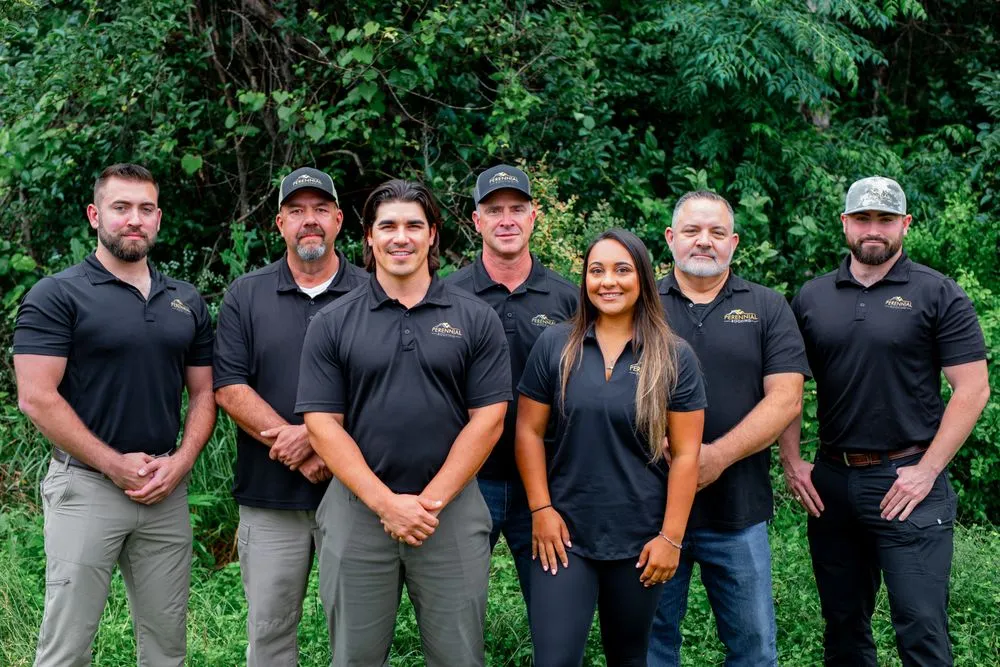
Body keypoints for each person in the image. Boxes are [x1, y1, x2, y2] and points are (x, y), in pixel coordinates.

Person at [294, 179, 512, 666]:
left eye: (414, 225)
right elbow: (322, 424)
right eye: (387, 225)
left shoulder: (476, 318)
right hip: (357, 513)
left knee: (460, 659)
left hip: (450, 515)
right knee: (353, 658)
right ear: (368, 238)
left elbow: (490, 419)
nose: (401, 237)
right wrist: (385, 504)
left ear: (432, 234)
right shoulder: (332, 322)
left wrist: (428, 502)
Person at [779, 176, 990, 666]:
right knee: (844, 626)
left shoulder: (938, 293)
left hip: (907, 479)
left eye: (885, 219)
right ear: (845, 223)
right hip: (832, 480)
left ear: (905, 225)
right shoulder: (812, 298)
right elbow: (787, 386)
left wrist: (928, 470)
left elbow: (973, 388)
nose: (874, 229)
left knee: (920, 627)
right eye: (864, 218)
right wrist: (793, 461)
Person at [13, 163, 216, 666]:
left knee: (167, 649)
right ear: (94, 214)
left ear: (159, 219)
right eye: (121, 207)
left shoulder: (185, 299)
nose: (134, 219)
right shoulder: (57, 294)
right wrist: (112, 463)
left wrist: (182, 462)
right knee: (67, 647)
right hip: (86, 488)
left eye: (145, 209)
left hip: (164, 492)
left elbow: (207, 394)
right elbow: (36, 397)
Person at [516, 228, 707, 667]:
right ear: (583, 279)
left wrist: (670, 539)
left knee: (629, 658)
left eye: (622, 270)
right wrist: (541, 511)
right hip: (564, 536)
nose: (609, 281)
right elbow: (527, 432)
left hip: (640, 539)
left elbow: (686, 455)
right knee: (555, 660)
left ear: (642, 278)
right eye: (596, 270)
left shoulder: (673, 356)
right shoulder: (555, 346)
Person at [213, 167, 367, 666]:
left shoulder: (373, 292)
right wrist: (297, 445)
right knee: (271, 635)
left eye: (320, 210)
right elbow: (230, 387)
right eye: (297, 211)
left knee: (358, 636)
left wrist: (319, 440)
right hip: (270, 495)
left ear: (339, 220)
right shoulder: (246, 294)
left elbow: (386, 388)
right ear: (279, 223)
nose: (310, 221)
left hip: (353, 493)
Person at [648, 191, 809, 666]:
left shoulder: (767, 306)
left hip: (738, 512)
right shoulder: (641, 302)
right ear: (671, 238)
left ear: (734, 242)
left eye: (717, 232)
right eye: (693, 231)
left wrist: (715, 456)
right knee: (650, 647)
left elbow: (786, 398)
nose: (704, 242)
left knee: (754, 650)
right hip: (649, 509)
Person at [445, 164, 577, 607]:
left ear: (534, 216)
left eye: (517, 209)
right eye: (494, 210)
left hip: (544, 481)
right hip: (466, 477)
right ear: (476, 220)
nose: (507, 219)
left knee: (553, 608)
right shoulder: (445, 295)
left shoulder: (569, 298)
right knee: (456, 613)